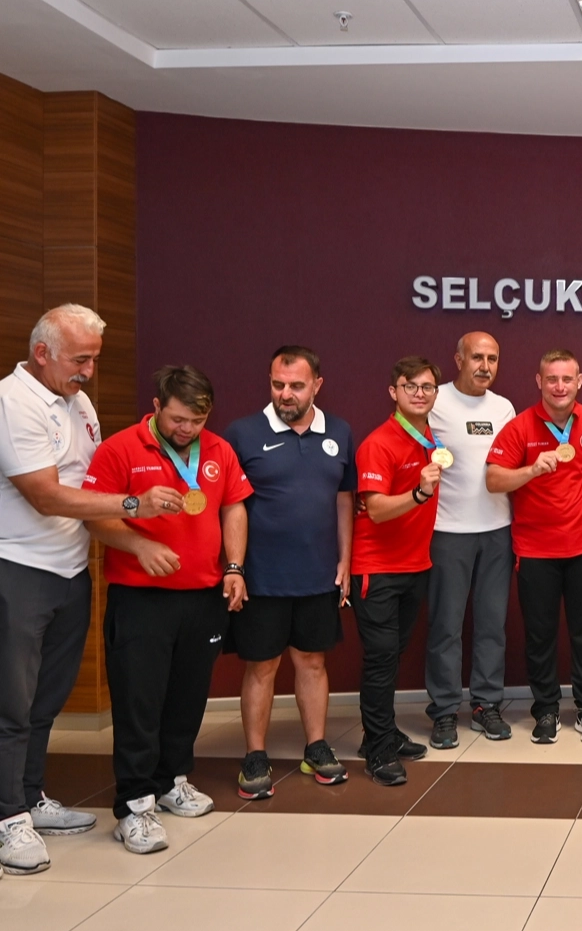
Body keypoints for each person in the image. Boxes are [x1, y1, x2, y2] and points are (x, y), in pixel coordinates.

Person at [2, 306, 158, 873]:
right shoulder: (13, 402)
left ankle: (29, 796)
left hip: (71, 570)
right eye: (80, 359)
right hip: (18, 568)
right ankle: (7, 819)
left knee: (46, 699)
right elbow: (46, 495)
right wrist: (133, 504)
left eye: (94, 359)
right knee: (11, 704)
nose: (89, 371)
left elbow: (93, 480)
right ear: (42, 352)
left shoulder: (78, 402)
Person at [83, 365, 250, 854]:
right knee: (140, 701)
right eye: (178, 419)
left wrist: (234, 566)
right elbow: (94, 515)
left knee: (187, 697)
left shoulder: (218, 449)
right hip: (141, 598)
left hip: (202, 596)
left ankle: (171, 780)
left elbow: (233, 507)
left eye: (197, 421)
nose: (187, 429)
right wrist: (139, 545)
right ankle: (134, 805)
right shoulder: (120, 449)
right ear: (156, 407)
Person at [223, 346, 356, 799]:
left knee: (313, 662)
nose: (286, 393)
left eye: (296, 386)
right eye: (278, 384)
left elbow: (344, 499)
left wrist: (345, 559)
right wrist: (235, 567)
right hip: (262, 576)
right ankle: (255, 755)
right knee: (262, 666)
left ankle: (316, 747)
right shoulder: (242, 433)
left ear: (317, 385)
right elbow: (230, 506)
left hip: (318, 575)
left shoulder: (338, 431)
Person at [486, 349, 582, 744]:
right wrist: (531, 470)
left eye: (566, 379)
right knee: (540, 636)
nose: (559, 386)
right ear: (539, 382)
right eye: (551, 379)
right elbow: (493, 480)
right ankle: (546, 710)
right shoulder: (519, 426)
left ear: (579, 382)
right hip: (535, 551)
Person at [352, 356, 443, 786]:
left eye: (427, 387)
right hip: (378, 569)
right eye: (411, 386)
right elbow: (375, 509)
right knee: (381, 659)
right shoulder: (379, 443)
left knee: (392, 657)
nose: (419, 394)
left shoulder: (429, 437)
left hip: (415, 565)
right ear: (394, 392)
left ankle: (381, 733)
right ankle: (379, 751)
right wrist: (420, 494)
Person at [424, 333, 517, 749]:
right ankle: (444, 710)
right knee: (446, 626)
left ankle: (485, 704)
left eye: (492, 358)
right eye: (477, 357)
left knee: (492, 624)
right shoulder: (435, 400)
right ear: (458, 359)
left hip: (497, 530)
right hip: (448, 531)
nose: (485, 366)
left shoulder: (503, 408)